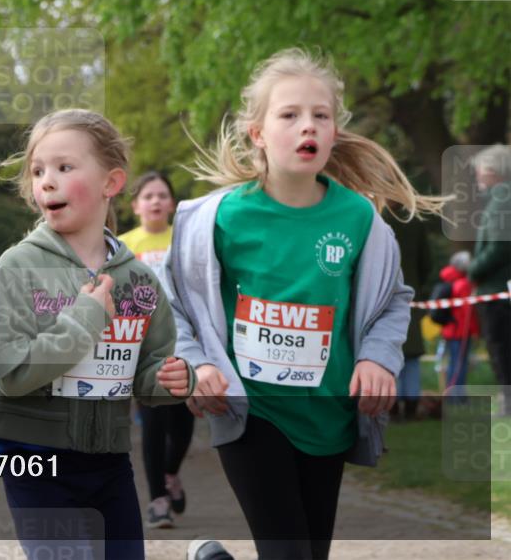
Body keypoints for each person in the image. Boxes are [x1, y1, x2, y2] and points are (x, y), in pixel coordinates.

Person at [170, 48, 447, 560]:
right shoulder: (219, 220)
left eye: (321, 115)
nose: (308, 126)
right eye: (290, 115)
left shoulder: (360, 219)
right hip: (253, 411)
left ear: (334, 131)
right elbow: (177, 303)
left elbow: (393, 301)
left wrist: (376, 358)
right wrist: (198, 362)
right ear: (258, 133)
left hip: (329, 416)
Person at [0, 109, 194, 560]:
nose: (47, 181)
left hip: (109, 460)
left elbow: (148, 374)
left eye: (64, 167)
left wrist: (174, 380)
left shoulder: (139, 279)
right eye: (38, 170)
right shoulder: (18, 266)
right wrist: (84, 318)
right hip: (33, 457)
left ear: (111, 183)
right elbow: (12, 370)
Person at [119, 171, 195, 527]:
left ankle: (171, 472)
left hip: (183, 343)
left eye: (162, 195)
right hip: (142, 347)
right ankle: (158, 501)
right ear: (135, 205)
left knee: (181, 425)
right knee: (152, 424)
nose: (155, 201)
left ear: (172, 204)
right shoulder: (122, 245)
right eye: (148, 196)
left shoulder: (184, 240)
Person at [467, 144, 511, 411]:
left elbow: (500, 245)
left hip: (497, 292)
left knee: (501, 349)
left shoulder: (502, 197)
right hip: (501, 289)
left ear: (493, 170)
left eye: (480, 170)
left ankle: (508, 403)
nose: (477, 177)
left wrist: (473, 270)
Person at [385, 210, 433, 421]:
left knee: (387, 354)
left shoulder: (374, 216)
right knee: (411, 356)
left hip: (384, 294)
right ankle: (411, 409)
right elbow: (427, 263)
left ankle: (393, 409)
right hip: (411, 294)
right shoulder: (415, 222)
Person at [432, 251, 480, 394]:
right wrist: (476, 331)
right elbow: (467, 313)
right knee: (459, 364)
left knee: (453, 363)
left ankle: (452, 394)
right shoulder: (463, 284)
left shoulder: (450, 280)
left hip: (450, 329)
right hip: (459, 331)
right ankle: (457, 396)